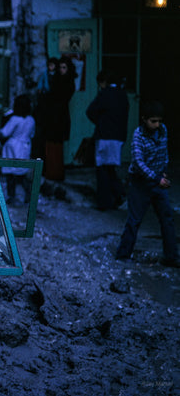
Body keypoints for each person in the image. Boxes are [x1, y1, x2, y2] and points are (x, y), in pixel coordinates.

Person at [116, 101, 180, 268]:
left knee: (167, 218)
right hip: (140, 182)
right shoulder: (139, 135)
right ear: (145, 119)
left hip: (157, 180)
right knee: (134, 220)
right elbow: (138, 162)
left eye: (159, 120)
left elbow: (163, 152)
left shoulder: (163, 130)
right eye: (153, 121)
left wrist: (163, 171)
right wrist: (156, 178)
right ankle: (123, 254)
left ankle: (171, 256)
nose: (157, 124)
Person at [85, 70, 129, 210]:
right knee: (110, 167)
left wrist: (100, 122)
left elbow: (90, 111)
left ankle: (105, 202)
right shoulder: (123, 95)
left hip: (104, 135)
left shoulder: (104, 94)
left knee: (102, 169)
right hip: (118, 136)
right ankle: (118, 193)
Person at [39, 56, 76, 181]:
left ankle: (55, 173)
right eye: (60, 67)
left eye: (64, 68)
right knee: (50, 145)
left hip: (59, 117)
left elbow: (60, 98)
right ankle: (51, 172)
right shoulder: (57, 80)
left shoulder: (68, 82)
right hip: (52, 117)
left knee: (56, 146)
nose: (61, 70)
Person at [0, 94, 36, 206]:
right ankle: (29, 195)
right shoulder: (31, 119)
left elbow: (5, 132)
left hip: (13, 146)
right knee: (22, 172)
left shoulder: (15, 119)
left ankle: (12, 196)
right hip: (25, 146)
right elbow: (32, 134)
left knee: (10, 173)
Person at [31, 57, 58, 159]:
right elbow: (40, 87)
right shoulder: (45, 75)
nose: (50, 67)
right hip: (44, 104)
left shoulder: (56, 77)